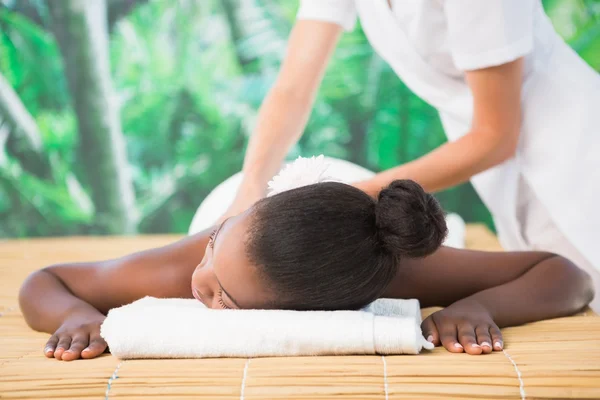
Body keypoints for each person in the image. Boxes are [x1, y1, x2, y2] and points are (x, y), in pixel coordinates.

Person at [219, 0, 600, 310]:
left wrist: (345, 196)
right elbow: (292, 88)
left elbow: (495, 135)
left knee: (580, 301)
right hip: (506, 177)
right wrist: (251, 186)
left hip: (575, 156)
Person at [19, 179, 593, 361]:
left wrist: (483, 304)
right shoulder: (194, 260)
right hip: (266, 200)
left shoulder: (397, 268)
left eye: (223, 298)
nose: (200, 285)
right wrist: (73, 313)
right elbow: (47, 281)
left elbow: (564, 273)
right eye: (215, 261)